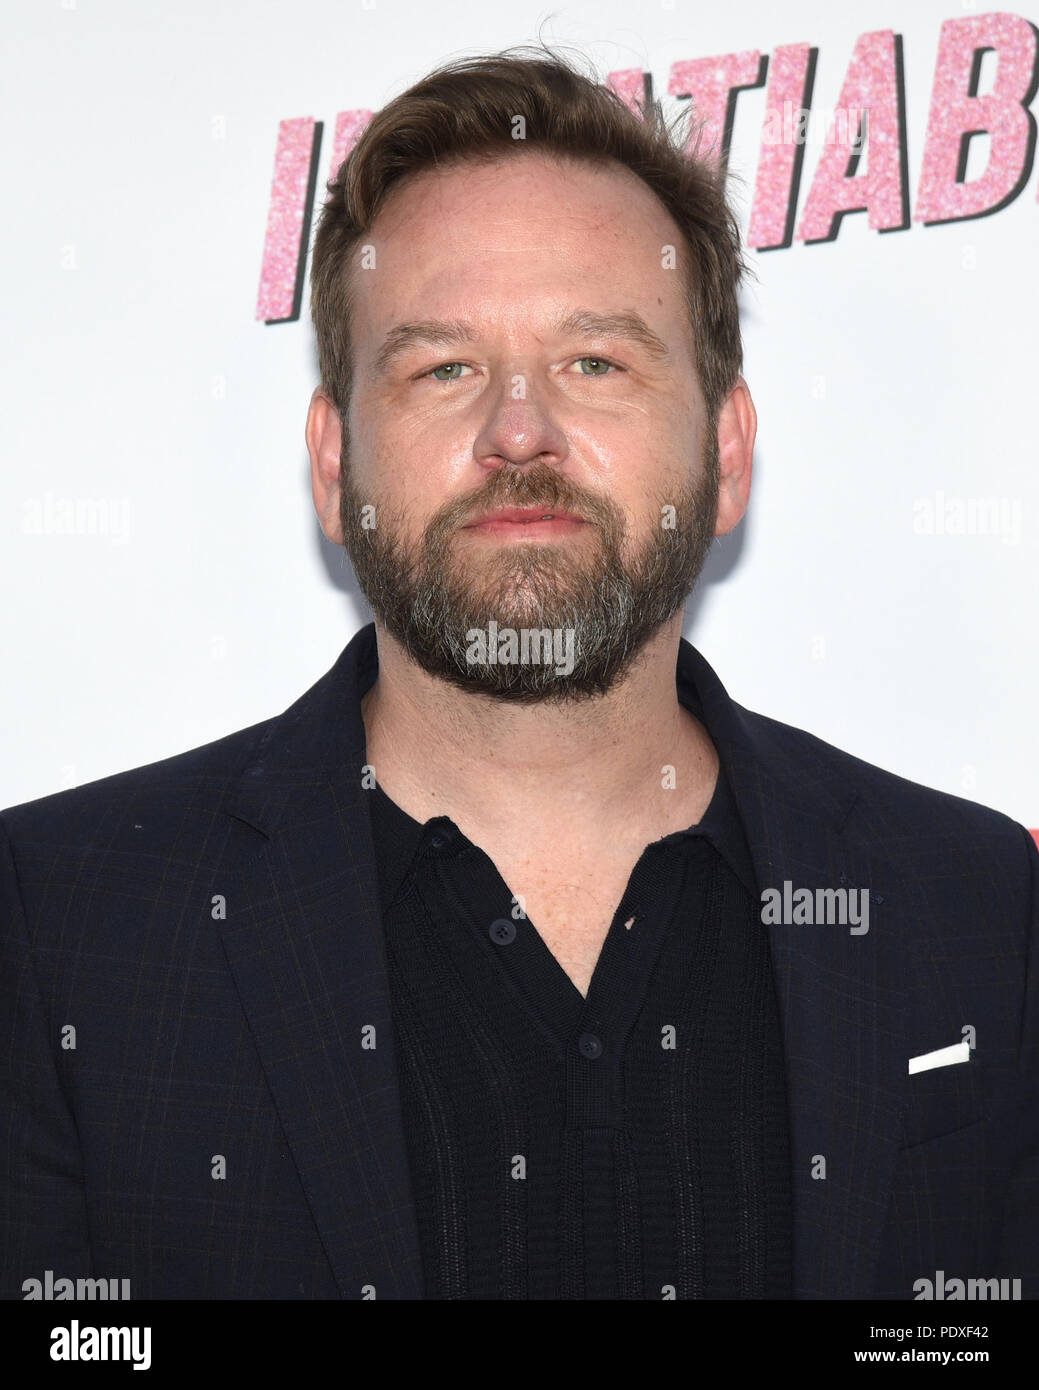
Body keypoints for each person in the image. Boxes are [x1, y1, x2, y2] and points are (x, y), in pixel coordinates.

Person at [2, 47, 1036, 1302]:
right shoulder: (63, 928)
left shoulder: (975, 908)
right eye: (442, 368)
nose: (518, 429)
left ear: (726, 448)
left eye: (595, 361)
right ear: (333, 467)